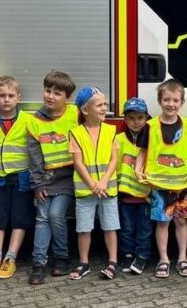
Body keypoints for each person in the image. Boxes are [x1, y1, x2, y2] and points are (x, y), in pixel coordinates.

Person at [135, 79, 187, 278]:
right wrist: (138, 169)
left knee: (181, 222)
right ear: (160, 101)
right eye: (167, 99)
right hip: (159, 184)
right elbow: (143, 151)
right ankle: (163, 259)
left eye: (175, 100)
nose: (171, 104)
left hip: (182, 185)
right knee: (162, 223)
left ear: (182, 102)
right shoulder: (150, 126)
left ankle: (182, 258)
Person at [0, 76, 35, 280]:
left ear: (18, 98)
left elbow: (33, 150)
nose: (6, 99)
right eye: (2, 95)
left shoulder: (27, 120)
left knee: (19, 219)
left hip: (21, 179)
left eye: (11, 96)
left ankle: (10, 258)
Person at [27, 70, 78, 285]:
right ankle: (38, 263)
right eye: (48, 91)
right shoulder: (34, 121)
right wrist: (37, 184)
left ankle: (61, 257)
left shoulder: (75, 114)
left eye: (57, 93)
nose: (50, 96)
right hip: (45, 179)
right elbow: (34, 157)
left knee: (56, 214)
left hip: (67, 178)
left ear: (67, 98)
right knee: (42, 217)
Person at [69, 86, 119, 280]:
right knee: (83, 228)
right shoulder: (76, 133)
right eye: (99, 104)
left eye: (105, 104)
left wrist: (104, 181)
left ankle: (112, 262)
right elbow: (78, 162)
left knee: (110, 226)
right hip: (86, 191)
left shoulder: (111, 130)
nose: (104, 108)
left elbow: (114, 159)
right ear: (85, 110)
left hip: (107, 190)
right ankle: (83, 262)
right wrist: (93, 185)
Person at [116, 97, 153, 275]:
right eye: (131, 118)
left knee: (144, 230)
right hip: (125, 195)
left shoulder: (153, 139)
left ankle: (142, 256)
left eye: (139, 118)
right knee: (127, 229)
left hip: (146, 196)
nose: (135, 122)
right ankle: (127, 256)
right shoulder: (119, 139)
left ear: (146, 118)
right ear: (125, 120)